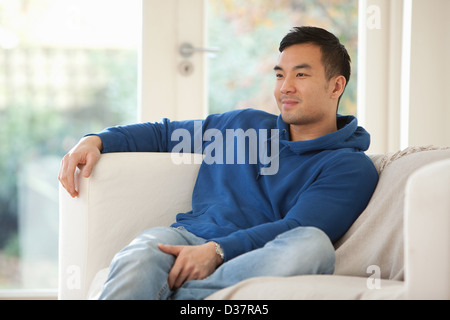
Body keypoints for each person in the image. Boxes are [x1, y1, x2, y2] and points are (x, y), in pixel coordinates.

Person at [58, 26, 378, 300]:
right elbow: (164, 133)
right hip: (186, 242)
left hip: (255, 258)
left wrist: (216, 251)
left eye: (301, 74)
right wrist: (96, 140)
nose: (285, 87)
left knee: (313, 246)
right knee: (144, 251)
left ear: (336, 86)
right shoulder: (241, 124)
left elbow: (299, 227)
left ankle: (177, 295)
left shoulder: (348, 166)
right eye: (280, 75)